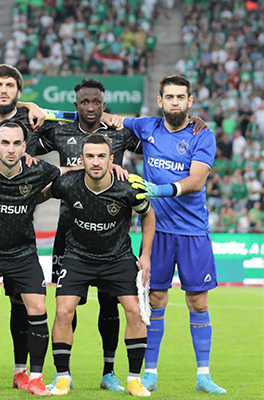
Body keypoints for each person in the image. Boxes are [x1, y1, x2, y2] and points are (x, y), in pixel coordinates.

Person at [0, 64, 76, 390]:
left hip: (21, 240)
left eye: (10, 85)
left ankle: (28, 373)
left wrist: (111, 167)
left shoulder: (35, 122)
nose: (4, 90)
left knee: (29, 305)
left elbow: (78, 118)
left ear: (25, 145)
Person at [118, 75, 226, 394]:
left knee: (198, 302)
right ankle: (149, 373)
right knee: (155, 299)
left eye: (181, 97)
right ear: (160, 101)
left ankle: (203, 376)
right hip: (157, 231)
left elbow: (196, 181)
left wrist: (159, 190)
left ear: (190, 101)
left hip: (193, 231)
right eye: (170, 97)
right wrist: (48, 112)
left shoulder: (202, 135)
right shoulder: (146, 127)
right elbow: (106, 118)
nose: (175, 102)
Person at [37, 78, 142, 392]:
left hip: (111, 234)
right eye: (85, 102)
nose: (91, 107)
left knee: (110, 306)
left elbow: (157, 138)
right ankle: (64, 373)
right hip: (69, 231)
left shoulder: (119, 133)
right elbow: (25, 146)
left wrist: (192, 124)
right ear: (76, 105)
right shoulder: (59, 131)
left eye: (97, 102)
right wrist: (29, 107)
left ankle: (109, 372)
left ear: (104, 104)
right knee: (67, 305)